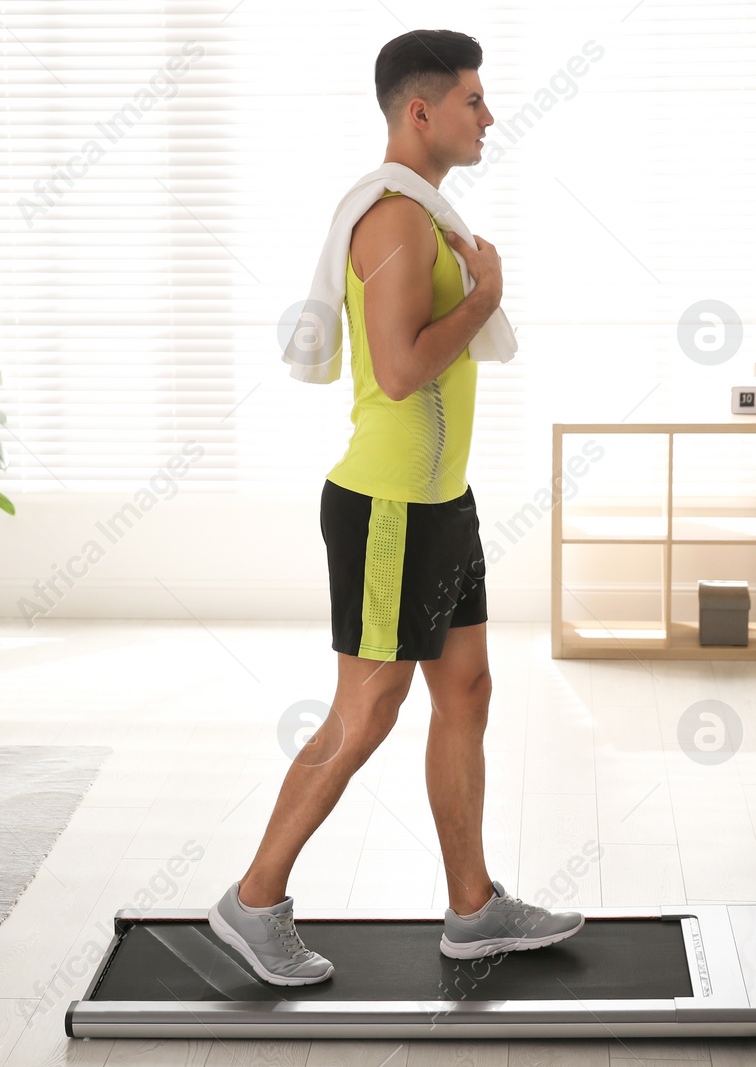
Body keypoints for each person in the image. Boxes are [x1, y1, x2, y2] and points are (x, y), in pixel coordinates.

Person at [209, 28, 582, 986]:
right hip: (386, 508)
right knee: (366, 710)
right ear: (421, 112)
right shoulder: (397, 221)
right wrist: (488, 290)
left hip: (440, 504)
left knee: (466, 692)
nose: (489, 115)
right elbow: (403, 364)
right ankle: (253, 901)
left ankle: (474, 908)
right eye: (473, 100)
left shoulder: (427, 213)